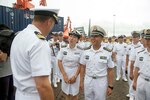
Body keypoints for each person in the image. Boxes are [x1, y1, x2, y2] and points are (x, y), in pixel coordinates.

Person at [10, 7, 59, 100]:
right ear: (49, 22)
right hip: (35, 96)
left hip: (19, 94)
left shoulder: (19, 35)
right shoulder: (39, 42)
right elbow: (43, 86)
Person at [80, 25, 114, 100]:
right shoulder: (85, 51)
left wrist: (110, 86)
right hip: (88, 80)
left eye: (96, 36)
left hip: (101, 81)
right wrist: (81, 81)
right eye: (92, 36)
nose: (93, 38)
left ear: (102, 38)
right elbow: (82, 66)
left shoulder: (107, 52)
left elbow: (110, 69)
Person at [57, 30, 82, 100]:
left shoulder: (80, 50)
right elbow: (59, 61)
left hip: (75, 72)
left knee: (75, 94)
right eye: (70, 36)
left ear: (77, 40)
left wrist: (75, 76)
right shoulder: (63, 48)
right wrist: (64, 75)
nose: (71, 38)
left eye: (74, 37)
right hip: (65, 72)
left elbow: (80, 64)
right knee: (66, 94)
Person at [132, 29, 150, 100]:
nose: (148, 41)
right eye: (146, 39)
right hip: (141, 81)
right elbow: (136, 68)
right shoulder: (140, 54)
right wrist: (135, 81)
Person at [0, 24, 15, 100]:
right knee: (11, 94)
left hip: (4, 73)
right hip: (10, 72)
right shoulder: (12, 41)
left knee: (4, 95)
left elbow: (2, 58)